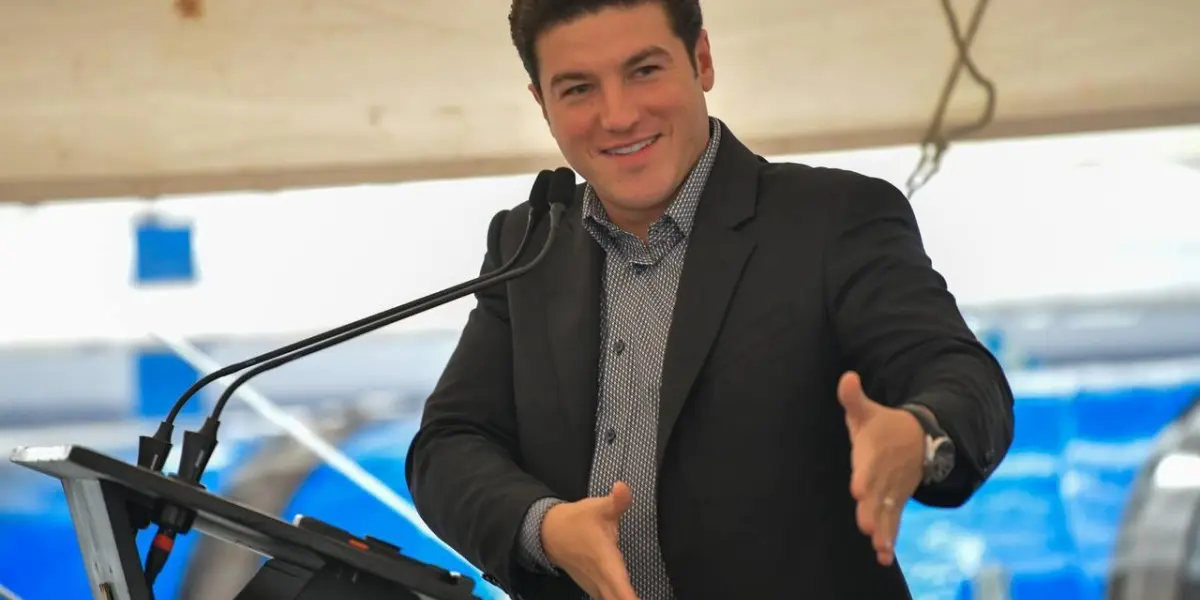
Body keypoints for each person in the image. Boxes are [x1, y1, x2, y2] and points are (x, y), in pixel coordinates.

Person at [405, 0, 1015, 598]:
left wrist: (919, 433)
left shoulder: (834, 219)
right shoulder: (527, 242)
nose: (618, 116)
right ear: (542, 103)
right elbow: (448, 445)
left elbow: (963, 376)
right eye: (578, 89)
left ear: (701, 60)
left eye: (644, 71)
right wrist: (545, 528)